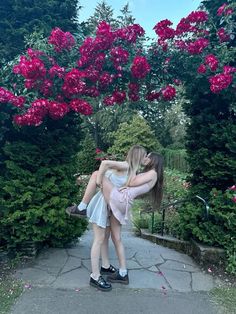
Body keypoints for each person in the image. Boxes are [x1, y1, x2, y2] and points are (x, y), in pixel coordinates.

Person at [66, 145, 148, 290]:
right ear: (138, 156)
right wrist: (99, 181)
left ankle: (104, 266)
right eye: (145, 155)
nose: (146, 158)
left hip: (111, 207)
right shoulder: (125, 165)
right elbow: (103, 164)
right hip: (101, 205)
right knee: (98, 239)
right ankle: (95, 277)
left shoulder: (133, 172)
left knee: (106, 238)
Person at [90, 152, 164, 291]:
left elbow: (130, 181)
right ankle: (121, 272)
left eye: (147, 156)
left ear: (154, 160)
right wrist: (126, 186)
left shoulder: (153, 173)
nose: (145, 158)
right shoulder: (150, 173)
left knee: (96, 174)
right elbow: (132, 185)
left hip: (121, 200)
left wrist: (129, 176)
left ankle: (82, 206)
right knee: (114, 237)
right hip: (123, 199)